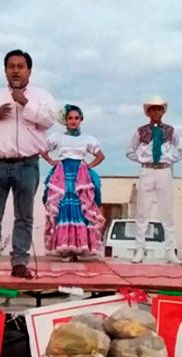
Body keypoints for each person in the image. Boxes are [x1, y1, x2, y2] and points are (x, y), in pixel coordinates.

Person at [0, 49, 56, 278]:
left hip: (27, 165)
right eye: (11, 66)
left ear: (29, 70)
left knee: (25, 216)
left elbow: (49, 120)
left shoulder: (42, 96)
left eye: (20, 66)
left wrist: (25, 103)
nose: (16, 70)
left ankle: (19, 262)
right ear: (5, 70)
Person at [126, 96, 182, 264]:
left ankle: (170, 250)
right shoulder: (140, 131)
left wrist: (168, 158)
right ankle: (140, 249)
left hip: (164, 171)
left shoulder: (170, 131)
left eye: (159, 109)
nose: (156, 112)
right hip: (147, 170)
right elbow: (130, 151)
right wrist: (143, 158)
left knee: (167, 211)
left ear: (163, 111)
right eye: (153, 109)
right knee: (142, 210)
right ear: (148, 112)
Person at [41, 104, 105, 261]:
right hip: (62, 174)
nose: (73, 121)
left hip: (81, 175)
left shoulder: (88, 139)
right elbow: (42, 149)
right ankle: (65, 249)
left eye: (76, 118)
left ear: (81, 120)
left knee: (81, 206)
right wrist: (51, 161)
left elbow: (100, 155)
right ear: (65, 121)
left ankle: (79, 248)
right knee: (64, 206)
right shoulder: (57, 137)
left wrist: (89, 166)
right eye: (70, 118)